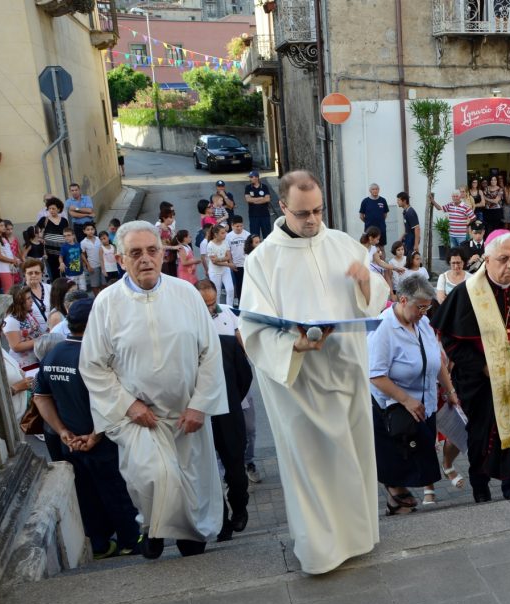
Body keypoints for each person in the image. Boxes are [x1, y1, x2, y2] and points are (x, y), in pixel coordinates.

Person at [239, 170, 389, 575]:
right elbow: (251, 329)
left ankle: (357, 538)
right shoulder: (262, 261)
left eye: (318, 210)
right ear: (282, 207)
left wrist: (365, 284)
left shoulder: (342, 244)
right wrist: (295, 345)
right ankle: (321, 551)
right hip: (300, 384)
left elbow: (377, 297)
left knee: (352, 458)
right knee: (312, 468)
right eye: (303, 212)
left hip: (347, 373)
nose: (312, 220)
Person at [81, 220, 227, 559]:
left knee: (190, 481)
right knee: (151, 476)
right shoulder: (107, 304)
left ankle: (190, 536)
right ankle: (154, 527)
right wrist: (129, 405)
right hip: (139, 418)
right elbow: (93, 364)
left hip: (185, 414)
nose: (145, 259)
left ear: (163, 254)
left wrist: (200, 404)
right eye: (135, 253)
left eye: (152, 251)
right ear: (120, 259)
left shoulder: (186, 293)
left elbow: (210, 353)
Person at [433, 230, 510, 502]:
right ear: (486, 259)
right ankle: (480, 485)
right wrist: (482, 367)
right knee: (481, 437)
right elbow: (451, 341)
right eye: (504, 259)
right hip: (481, 383)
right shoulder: (468, 292)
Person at [33, 299, 142, 559]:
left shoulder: (52, 354)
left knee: (86, 495)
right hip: (101, 442)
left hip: (69, 443)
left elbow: (40, 397)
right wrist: (95, 435)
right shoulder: (96, 356)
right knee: (117, 492)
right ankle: (130, 541)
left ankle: (101, 545)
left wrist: (62, 432)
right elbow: (114, 400)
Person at [368, 276, 452, 510]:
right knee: (398, 465)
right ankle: (398, 501)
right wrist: (406, 400)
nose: (424, 312)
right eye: (420, 307)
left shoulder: (422, 323)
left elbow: (437, 360)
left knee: (420, 461)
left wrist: (450, 390)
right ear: (403, 300)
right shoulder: (383, 327)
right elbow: (375, 374)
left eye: (427, 307)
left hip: (423, 404)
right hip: (396, 410)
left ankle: (399, 501)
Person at [194, 280, 252, 539]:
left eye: (211, 304)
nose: (209, 310)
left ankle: (239, 509)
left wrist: (231, 400)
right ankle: (221, 522)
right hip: (199, 417)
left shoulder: (228, 342)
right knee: (205, 474)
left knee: (235, 470)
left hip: (229, 413)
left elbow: (244, 375)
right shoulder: (185, 343)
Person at [4, 285, 45, 371]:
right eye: (28, 299)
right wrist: (41, 340)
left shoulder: (26, 313)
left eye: (31, 297)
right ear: (19, 302)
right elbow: (16, 346)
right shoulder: (11, 320)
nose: (32, 301)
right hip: (26, 365)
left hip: (36, 359)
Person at [37, 197, 69, 282]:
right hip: (49, 252)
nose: (51, 210)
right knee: (54, 273)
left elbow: (67, 234)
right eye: (49, 208)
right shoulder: (44, 220)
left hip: (63, 251)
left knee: (66, 272)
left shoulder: (64, 221)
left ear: (59, 209)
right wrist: (40, 238)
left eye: (53, 208)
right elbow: (36, 231)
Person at [207, 225, 236, 307]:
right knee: (217, 292)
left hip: (225, 270)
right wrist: (229, 264)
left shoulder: (225, 242)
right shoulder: (210, 245)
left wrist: (219, 259)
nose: (225, 235)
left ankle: (230, 308)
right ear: (216, 234)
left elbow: (228, 256)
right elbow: (214, 262)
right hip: (215, 272)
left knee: (230, 289)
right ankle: (218, 309)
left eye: (225, 232)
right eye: (222, 233)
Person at [0, 219, 19, 292]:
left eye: (4, 225)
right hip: (2, 268)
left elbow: (9, 252)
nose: (4, 227)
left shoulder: (3, 238)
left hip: (9, 267)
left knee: (12, 288)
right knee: (8, 290)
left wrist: (15, 259)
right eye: (1, 225)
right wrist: (12, 260)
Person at [226, 216, 249, 304]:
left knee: (246, 284)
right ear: (232, 225)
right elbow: (228, 252)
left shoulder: (247, 235)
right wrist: (231, 263)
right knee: (238, 284)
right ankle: (240, 301)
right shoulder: (228, 237)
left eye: (241, 226)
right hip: (236, 265)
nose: (239, 228)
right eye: (237, 226)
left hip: (246, 264)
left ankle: (247, 301)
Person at [244, 170, 273, 238]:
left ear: (256, 177)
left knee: (267, 235)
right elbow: (248, 199)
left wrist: (254, 200)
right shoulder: (248, 187)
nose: (250, 178)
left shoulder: (264, 187)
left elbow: (267, 199)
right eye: (250, 177)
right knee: (254, 236)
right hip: (253, 216)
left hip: (265, 215)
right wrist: (261, 198)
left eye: (251, 177)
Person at [23, 259, 51, 328]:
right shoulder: (21, 293)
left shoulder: (50, 288)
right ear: (25, 274)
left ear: (42, 274)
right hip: (35, 334)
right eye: (30, 273)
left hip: (53, 329)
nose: (33, 275)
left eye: (37, 273)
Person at [59, 226, 85, 291]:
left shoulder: (78, 244)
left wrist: (87, 264)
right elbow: (60, 257)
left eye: (68, 235)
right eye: (64, 236)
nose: (66, 237)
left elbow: (81, 254)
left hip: (80, 272)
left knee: (83, 290)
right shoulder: (64, 247)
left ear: (73, 236)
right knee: (73, 291)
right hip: (70, 274)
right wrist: (61, 263)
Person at [80, 224, 103, 294]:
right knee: (94, 284)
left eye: (92, 229)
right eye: (88, 229)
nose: (90, 231)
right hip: (93, 265)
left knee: (103, 283)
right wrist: (88, 266)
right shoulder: (83, 242)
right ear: (84, 231)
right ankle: (96, 299)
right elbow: (83, 254)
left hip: (102, 265)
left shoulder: (99, 239)